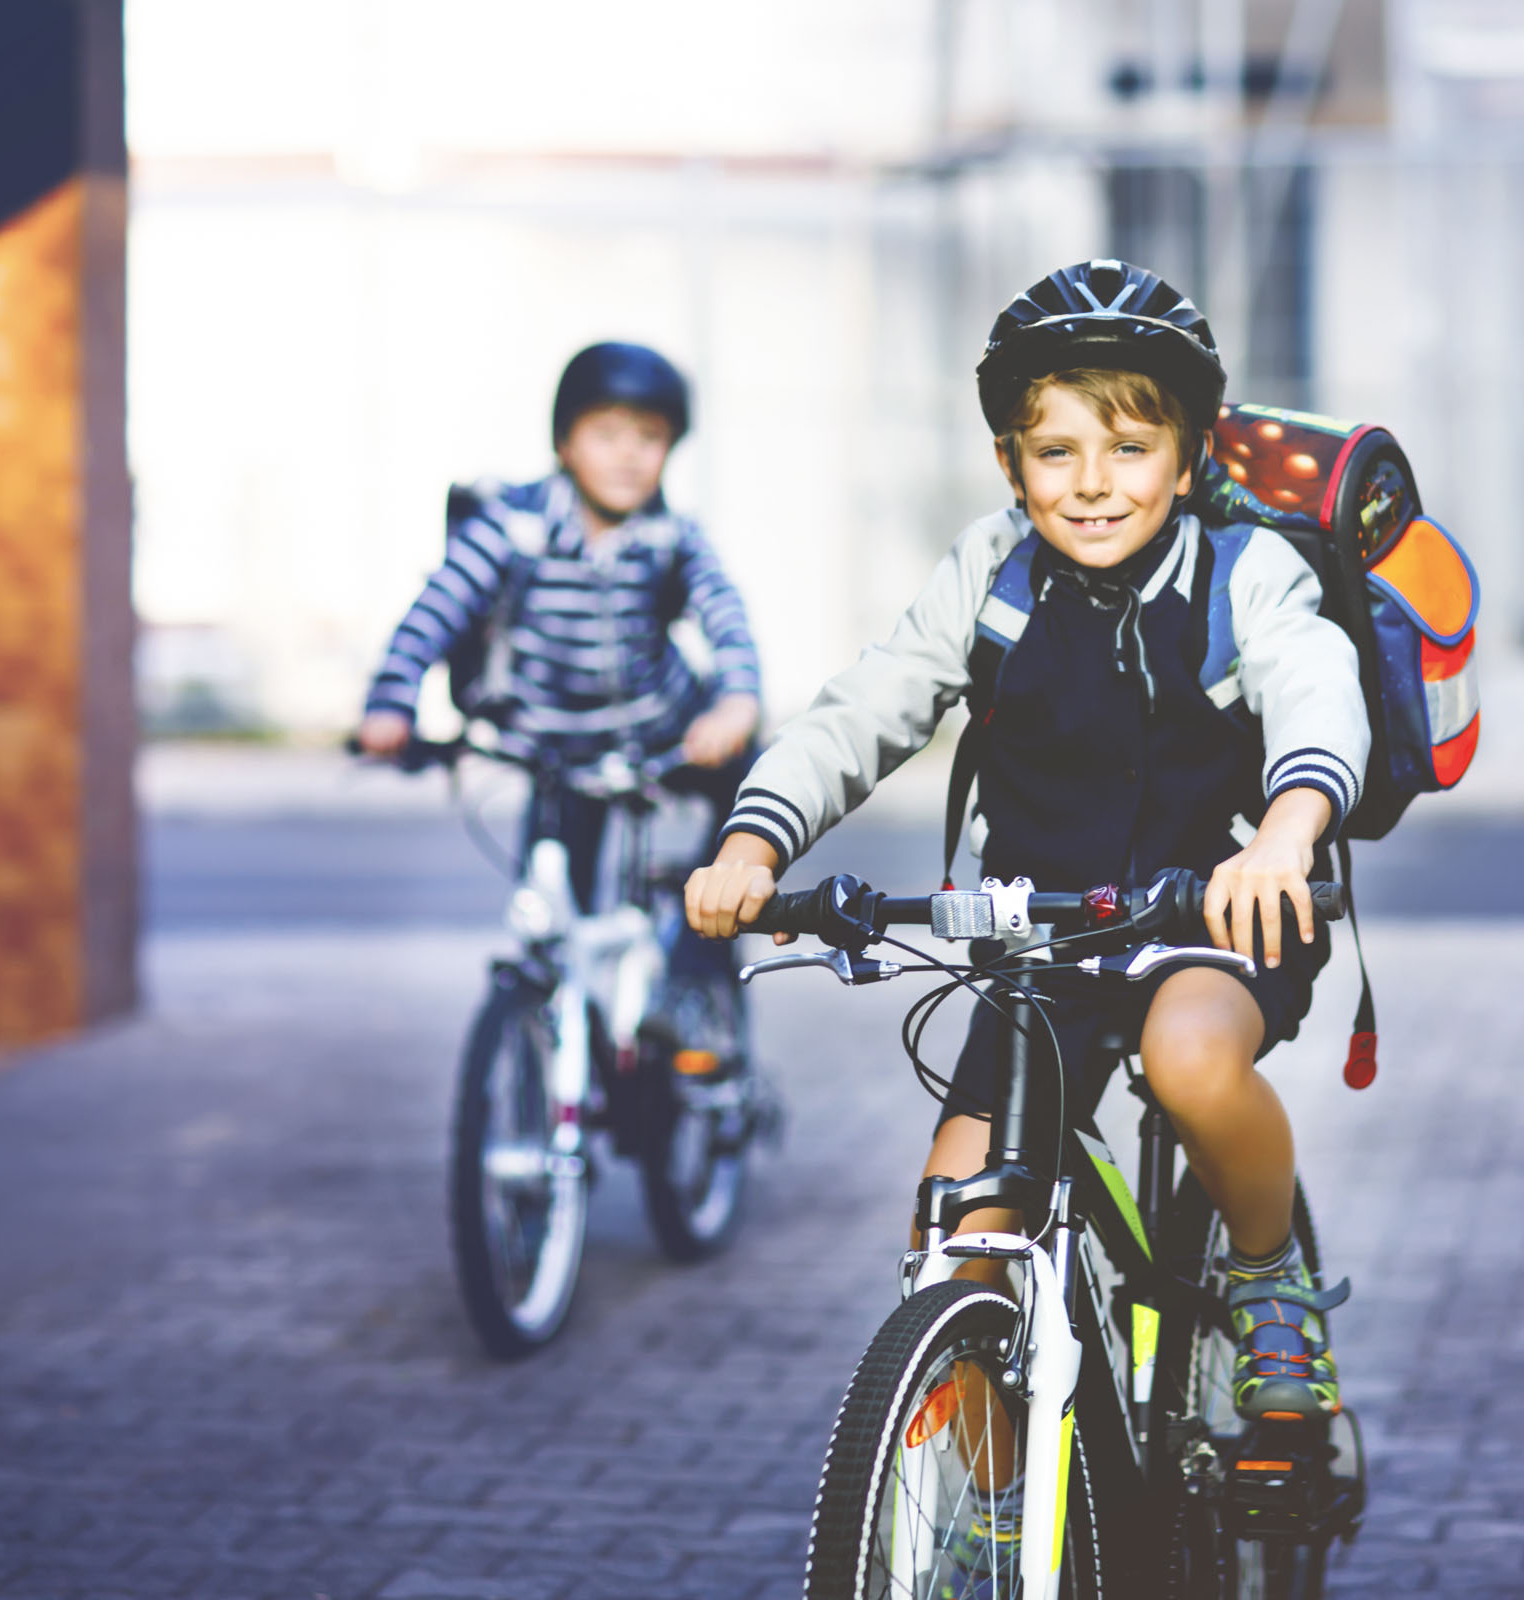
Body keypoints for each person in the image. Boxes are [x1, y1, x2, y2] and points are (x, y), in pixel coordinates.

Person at [685, 260, 1368, 1556]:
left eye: (1129, 442)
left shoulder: (1244, 574)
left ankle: (1270, 1280)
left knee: (1187, 1059)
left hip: (1212, 917)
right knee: (958, 1233)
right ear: (1011, 464)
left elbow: (1314, 684)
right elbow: (862, 709)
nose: (1093, 479)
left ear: (1185, 453)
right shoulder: (991, 582)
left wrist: (1283, 837)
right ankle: (998, 1534)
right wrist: (753, 840)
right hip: (1034, 937)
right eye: (1057, 451)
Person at [360, 341, 762, 1027]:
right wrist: (391, 701)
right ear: (564, 443)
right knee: (553, 923)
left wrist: (736, 701)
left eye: (650, 438)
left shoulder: (671, 535)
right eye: (606, 434)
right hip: (558, 752)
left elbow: (724, 614)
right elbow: (437, 609)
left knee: (754, 795)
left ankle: (703, 954)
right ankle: (561, 1047)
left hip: (664, 733)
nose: (629, 454)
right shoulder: (512, 526)